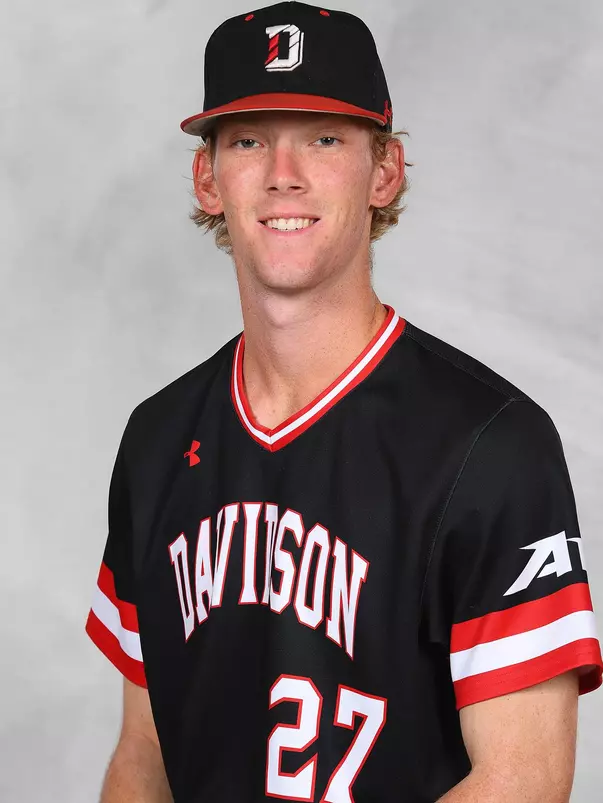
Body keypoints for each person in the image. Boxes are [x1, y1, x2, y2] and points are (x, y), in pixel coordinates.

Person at [85, 2, 603, 801]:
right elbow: (142, 754)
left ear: (384, 171)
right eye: (249, 139)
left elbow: (523, 778)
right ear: (207, 177)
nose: (282, 171)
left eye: (324, 138)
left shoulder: (492, 444)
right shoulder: (157, 439)